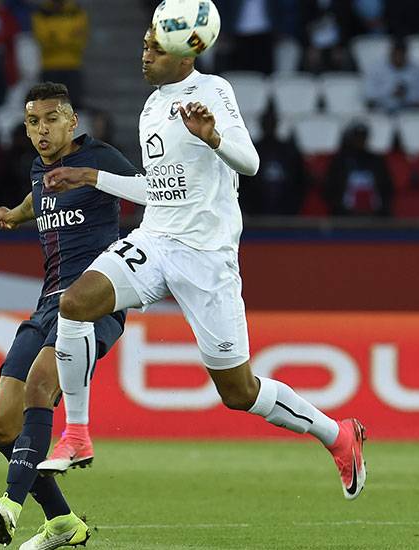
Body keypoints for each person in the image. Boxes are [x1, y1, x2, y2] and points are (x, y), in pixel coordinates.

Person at [38, 27, 368, 504]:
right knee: (75, 303)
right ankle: (77, 433)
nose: (144, 54)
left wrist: (213, 137)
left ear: (184, 55)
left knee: (239, 392)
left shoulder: (213, 91)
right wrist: (93, 177)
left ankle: (338, 435)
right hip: (156, 239)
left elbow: (250, 163)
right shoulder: (152, 105)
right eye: (144, 44)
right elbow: (160, 190)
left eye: (153, 48)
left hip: (207, 258)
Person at [0, 82, 140, 549]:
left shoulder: (101, 158)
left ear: (72, 122)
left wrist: (144, 257)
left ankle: (10, 503)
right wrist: (14, 214)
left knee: (41, 385)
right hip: (48, 303)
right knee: (0, 423)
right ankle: (64, 523)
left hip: (93, 302)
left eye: (51, 119)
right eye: (33, 121)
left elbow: (154, 192)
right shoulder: (38, 168)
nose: (42, 129)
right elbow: (37, 200)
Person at [238, 108, 308, 215]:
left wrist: (293, 209)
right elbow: (242, 184)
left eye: (271, 122)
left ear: (276, 124)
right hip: (257, 215)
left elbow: (300, 183)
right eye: (266, 122)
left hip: (286, 214)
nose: (269, 125)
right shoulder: (251, 151)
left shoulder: (289, 152)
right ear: (261, 125)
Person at [324, 121, 393, 216]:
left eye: (363, 136)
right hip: (345, 216)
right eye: (357, 137)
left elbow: (387, 188)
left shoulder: (377, 161)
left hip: (374, 216)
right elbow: (329, 188)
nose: (360, 140)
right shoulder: (340, 161)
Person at [32, 0, 89, 107]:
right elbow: (43, 39)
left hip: (72, 66)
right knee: (50, 107)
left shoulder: (77, 11)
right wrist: (68, 37)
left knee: (74, 105)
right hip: (50, 67)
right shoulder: (41, 13)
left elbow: (80, 39)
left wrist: (55, 37)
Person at [365, 38, 419, 114]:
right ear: (390, 53)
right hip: (383, 112)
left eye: (401, 55)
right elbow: (369, 96)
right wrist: (391, 93)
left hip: (409, 113)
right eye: (395, 54)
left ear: (406, 54)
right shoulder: (376, 68)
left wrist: (407, 97)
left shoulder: (417, 70)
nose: (398, 58)